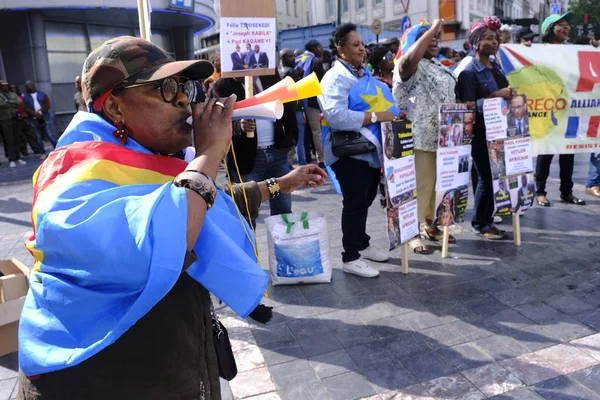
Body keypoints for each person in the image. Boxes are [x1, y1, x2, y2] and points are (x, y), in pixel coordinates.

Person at [17, 36, 325, 400]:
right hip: (95, 379)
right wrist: (210, 154)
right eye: (164, 88)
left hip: (164, 366)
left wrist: (279, 184)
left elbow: (204, 205)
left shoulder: (155, 162)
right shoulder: (71, 174)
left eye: (185, 87)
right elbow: (163, 237)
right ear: (115, 107)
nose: (183, 100)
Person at [319, 23, 400, 278]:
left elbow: (379, 102)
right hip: (349, 153)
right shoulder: (334, 78)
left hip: (368, 152)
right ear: (339, 49)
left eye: (363, 45)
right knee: (354, 203)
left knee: (365, 199)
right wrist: (377, 116)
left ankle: (362, 243)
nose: (362, 50)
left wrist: (395, 114)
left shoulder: (361, 74)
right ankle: (350, 257)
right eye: (355, 45)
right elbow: (335, 116)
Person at [393, 19, 457, 254]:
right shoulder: (407, 64)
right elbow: (409, 60)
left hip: (442, 137)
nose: (434, 40)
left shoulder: (439, 66)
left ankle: (429, 224)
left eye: (436, 37)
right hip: (417, 138)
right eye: (428, 36)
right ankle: (410, 232)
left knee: (435, 185)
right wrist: (432, 28)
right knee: (420, 185)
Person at [211, 72, 298, 218]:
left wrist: (290, 138)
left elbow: (288, 107)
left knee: (283, 210)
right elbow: (216, 118)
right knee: (247, 212)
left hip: (277, 154)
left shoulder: (270, 76)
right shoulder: (222, 85)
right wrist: (239, 126)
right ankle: (250, 241)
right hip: (247, 159)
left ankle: (281, 240)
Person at [456, 16, 509, 240]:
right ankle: (480, 222)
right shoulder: (468, 73)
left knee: (494, 178)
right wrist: (496, 95)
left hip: (497, 130)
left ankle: (487, 219)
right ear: (477, 42)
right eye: (489, 39)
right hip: (479, 134)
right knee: (486, 178)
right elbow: (467, 107)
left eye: (496, 38)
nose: (495, 42)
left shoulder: (496, 67)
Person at [535, 12, 588, 207]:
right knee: (546, 151)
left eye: (567, 25)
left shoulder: (572, 51)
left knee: (568, 151)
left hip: (569, 107)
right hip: (548, 108)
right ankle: (540, 191)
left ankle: (567, 192)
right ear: (550, 30)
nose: (566, 28)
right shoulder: (538, 51)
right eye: (561, 25)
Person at [296, 39, 326, 168]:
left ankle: (300, 157)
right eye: (319, 47)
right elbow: (321, 82)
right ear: (314, 48)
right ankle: (321, 158)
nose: (321, 49)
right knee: (316, 131)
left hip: (297, 101)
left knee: (300, 131)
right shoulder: (316, 61)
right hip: (312, 101)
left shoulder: (297, 59)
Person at [278, 48, 304, 168]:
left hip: (280, 108)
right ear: (283, 58)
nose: (294, 58)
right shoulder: (291, 72)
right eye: (290, 56)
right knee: (297, 137)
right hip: (294, 108)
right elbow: (300, 89)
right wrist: (301, 75)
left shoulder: (277, 71)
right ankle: (296, 163)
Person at [10, 84, 44, 159]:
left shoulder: (22, 96)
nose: (13, 89)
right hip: (16, 118)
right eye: (12, 88)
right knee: (21, 136)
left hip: (25, 117)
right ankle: (24, 151)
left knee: (31, 134)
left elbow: (23, 105)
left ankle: (36, 149)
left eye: (14, 88)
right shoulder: (12, 97)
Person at [23, 80, 58, 149]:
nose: (29, 87)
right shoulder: (25, 97)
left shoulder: (42, 94)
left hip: (44, 117)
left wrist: (40, 111)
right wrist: (34, 113)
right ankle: (42, 152)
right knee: (38, 136)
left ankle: (57, 148)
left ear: (34, 85)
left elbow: (47, 104)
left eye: (30, 85)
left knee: (50, 134)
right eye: (27, 86)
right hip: (33, 118)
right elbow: (25, 108)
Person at [0, 80, 27, 167]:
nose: (5, 87)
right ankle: (11, 159)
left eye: (6, 85)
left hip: (15, 118)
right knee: (9, 140)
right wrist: (11, 103)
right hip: (5, 119)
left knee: (17, 138)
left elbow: (19, 101)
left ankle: (18, 157)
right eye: (3, 86)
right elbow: (1, 104)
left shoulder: (12, 94)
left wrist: (8, 102)